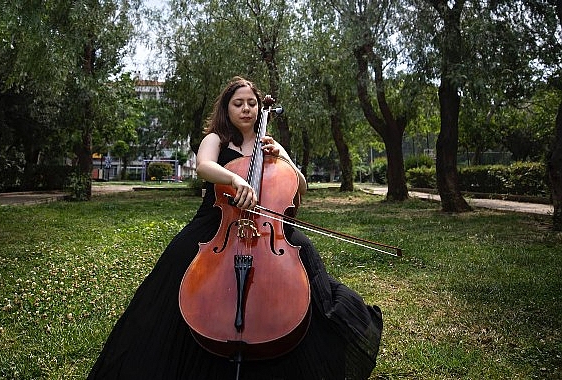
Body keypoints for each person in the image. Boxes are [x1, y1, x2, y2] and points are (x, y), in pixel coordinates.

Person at [87, 76, 383, 380]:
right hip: (217, 225)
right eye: (238, 103)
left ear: (259, 108)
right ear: (226, 108)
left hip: (269, 229)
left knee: (307, 263)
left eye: (252, 104)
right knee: (176, 276)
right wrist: (234, 179)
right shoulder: (216, 139)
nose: (246, 109)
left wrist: (283, 158)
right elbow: (204, 166)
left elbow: (301, 186)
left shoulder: (270, 145)